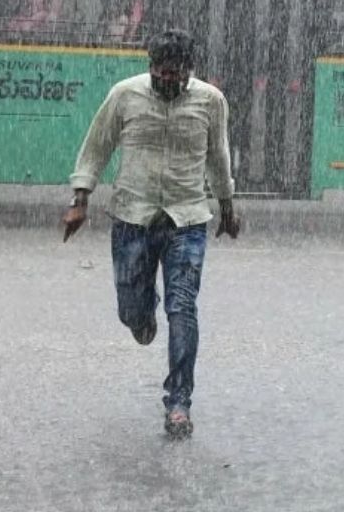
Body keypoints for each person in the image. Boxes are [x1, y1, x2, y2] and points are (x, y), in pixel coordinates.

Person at [61, 29, 241, 438]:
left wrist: (227, 207)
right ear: (151, 67)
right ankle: (142, 315)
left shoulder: (211, 101)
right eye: (161, 71)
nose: (168, 80)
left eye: (176, 73)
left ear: (189, 70)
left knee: (183, 308)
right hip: (132, 218)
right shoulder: (124, 95)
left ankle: (179, 402)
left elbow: (218, 156)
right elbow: (97, 146)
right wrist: (80, 199)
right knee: (132, 311)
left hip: (186, 220)